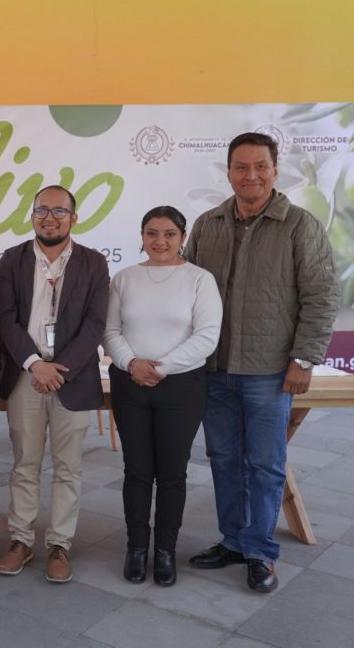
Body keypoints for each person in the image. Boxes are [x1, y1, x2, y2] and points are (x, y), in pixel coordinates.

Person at [184, 132, 338, 593]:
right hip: (214, 369)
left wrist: (305, 358)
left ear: (274, 169)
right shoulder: (207, 224)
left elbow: (322, 295)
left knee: (266, 464)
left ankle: (259, 551)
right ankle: (232, 540)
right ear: (228, 171)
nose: (250, 176)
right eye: (241, 167)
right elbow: (185, 290)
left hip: (270, 369)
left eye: (260, 167)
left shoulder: (299, 225)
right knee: (224, 458)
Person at [0, 184, 109, 583]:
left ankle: (60, 544)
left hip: (71, 379)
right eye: (42, 210)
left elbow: (96, 324)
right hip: (26, 375)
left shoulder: (94, 263)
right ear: (32, 216)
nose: (50, 217)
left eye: (59, 211)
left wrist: (59, 368)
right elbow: (5, 319)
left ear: (74, 218)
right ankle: (21, 540)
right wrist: (33, 364)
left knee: (68, 468)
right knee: (25, 463)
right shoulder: (12, 259)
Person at [103, 206, 222, 586]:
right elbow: (110, 331)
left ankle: (165, 551)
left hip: (181, 388)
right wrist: (131, 363)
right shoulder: (124, 278)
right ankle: (137, 548)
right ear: (141, 236)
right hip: (129, 385)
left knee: (172, 474)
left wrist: (161, 367)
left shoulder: (200, 280)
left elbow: (206, 336)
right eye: (152, 233)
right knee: (137, 472)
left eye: (169, 233)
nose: (160, 241)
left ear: (182, 237)